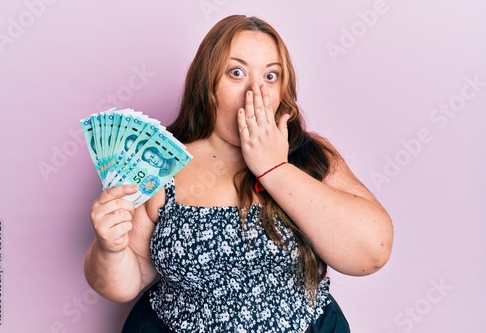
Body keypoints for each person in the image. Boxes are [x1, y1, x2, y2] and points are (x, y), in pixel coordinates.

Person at [84, 15, 393, 333]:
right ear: (208, 84)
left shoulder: (310, 155)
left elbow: (371, 254)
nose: (255, 91)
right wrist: (109, 248)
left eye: (271, 75)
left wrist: (274, 169)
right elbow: (123, 283)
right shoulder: (161, 162)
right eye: (236, 72)